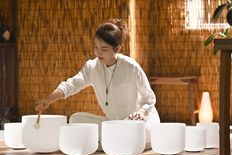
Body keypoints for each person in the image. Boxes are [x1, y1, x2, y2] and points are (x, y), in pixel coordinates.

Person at [35, 18, 160, 147]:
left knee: (137, 131)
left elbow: (149, 99)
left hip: (139, 123)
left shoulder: (131, 67)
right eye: (96, 47)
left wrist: (141, 112)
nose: (98, 53)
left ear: (117, 48)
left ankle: (110, 141)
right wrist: (48, 100)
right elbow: (71, 85)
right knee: (76, 119)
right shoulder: (92, 67)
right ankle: (116, 141)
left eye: (104, 49)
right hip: (114, 124)